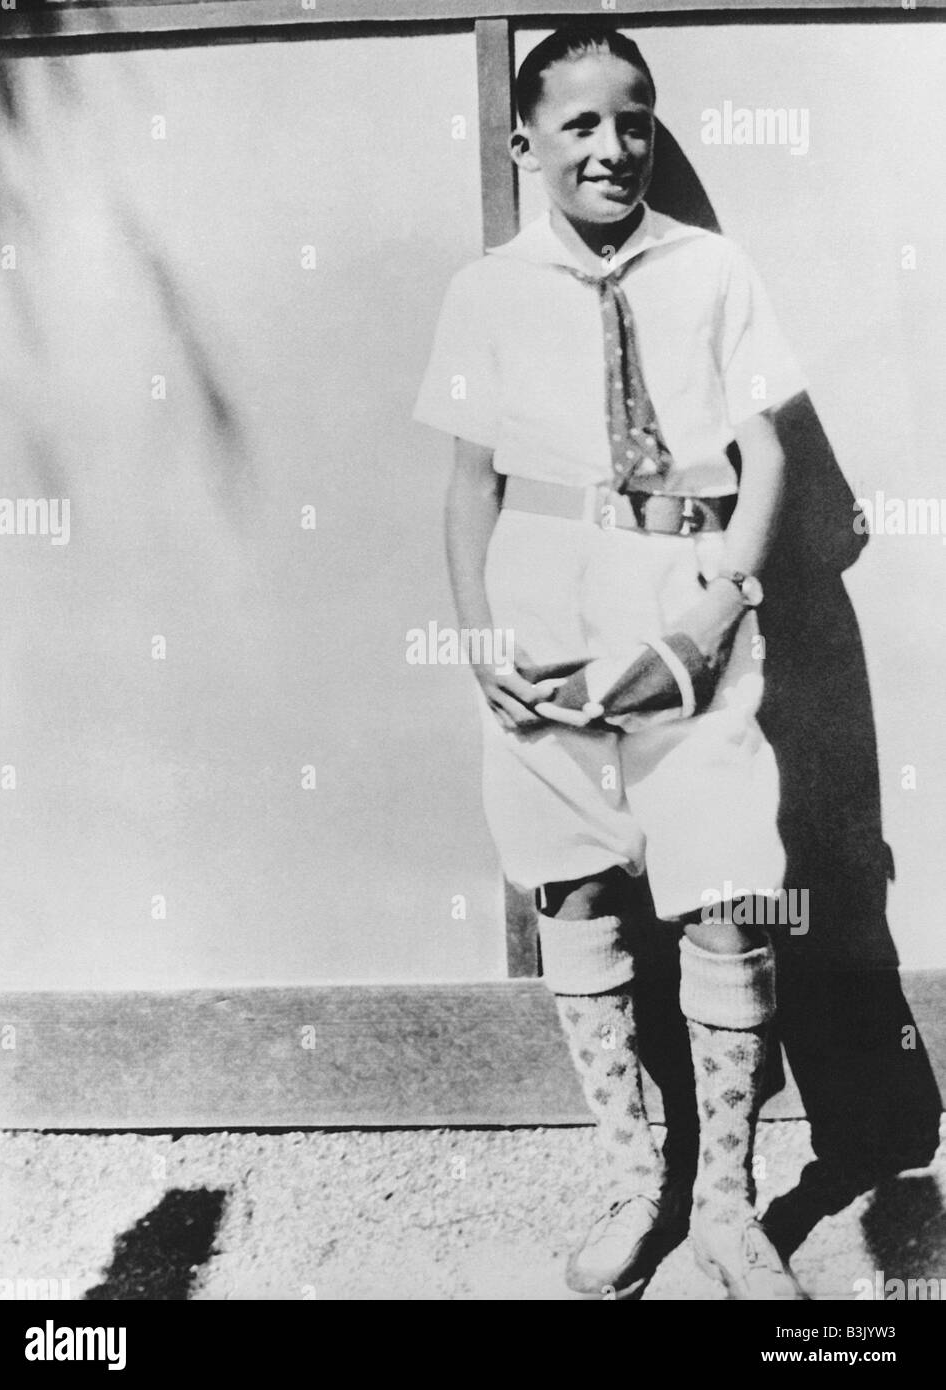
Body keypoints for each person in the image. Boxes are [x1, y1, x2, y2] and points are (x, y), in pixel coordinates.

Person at [413, 22, 811, 1300]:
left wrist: (715, 606)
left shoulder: (710, 271)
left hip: (685, 587)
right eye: (579, 122)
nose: (611, 144)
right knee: (574, 890)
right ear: (524, 142)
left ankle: (726, 1207)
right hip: (544, 587)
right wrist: (478, 634)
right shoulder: (485, 290)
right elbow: (468, 487)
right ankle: (634, 1183)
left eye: (632, 118)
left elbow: (769, 461)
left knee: (727, 887)